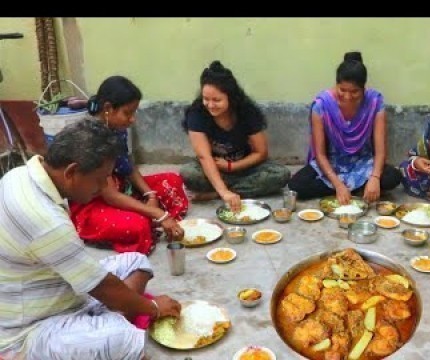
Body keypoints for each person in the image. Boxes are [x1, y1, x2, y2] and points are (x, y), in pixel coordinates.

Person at [0, 119, 181, 360]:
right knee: (122, 338)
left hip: (59, 288)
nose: (104, 186)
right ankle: (105, 324)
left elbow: (96, 281)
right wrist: (154, 308)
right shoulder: (45, 221)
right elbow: (102, 286)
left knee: (136, 262)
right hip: (29, 327)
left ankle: (104, 320)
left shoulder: (22, 174)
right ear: (72, 172)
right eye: (101, 178)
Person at [69, 76, 188, 255]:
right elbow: (110, 196)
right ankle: (143, 221)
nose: (132, 119)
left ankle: (146, 214)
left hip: (122, 187)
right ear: (108, 108)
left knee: (172, 181)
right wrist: (158, 214)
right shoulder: (92, 138)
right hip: (94, 201)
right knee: (138, 225)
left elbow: (128, 165)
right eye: (127, 113)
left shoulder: (118, 129)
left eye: (134, 113)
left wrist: (150, 193)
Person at [288, 51, 402, 204]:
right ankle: (355, 189)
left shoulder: (375, 102)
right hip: (332, 163)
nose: (348, 97)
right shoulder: (322, 105)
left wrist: (374, 178)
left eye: (354, 91)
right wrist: (338, 185)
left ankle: (361, 186)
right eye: (342, 90)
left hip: (363, 162)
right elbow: (320, 155)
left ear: (363, 89)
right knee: (296, 186)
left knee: (393, 177)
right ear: (337, 84)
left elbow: (380, 150)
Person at [179, 60, 290, 212]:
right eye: (206, 99)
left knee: (281, 175)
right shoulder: (196, 113)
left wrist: (232, 166)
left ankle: (215, 194)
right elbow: (204, 157)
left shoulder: (247, 112)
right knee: (189, 174)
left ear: (231, 98)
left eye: (217, 100)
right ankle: (226, 191)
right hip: (213, 168)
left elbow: (261, 152)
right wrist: (224, 189)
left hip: (245, 167)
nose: (210, 105)